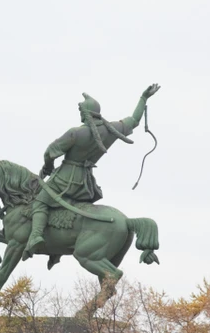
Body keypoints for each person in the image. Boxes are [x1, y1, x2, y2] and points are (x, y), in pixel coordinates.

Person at [24, 83, 159, 259]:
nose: (80, 114)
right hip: (85, 184)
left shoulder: (75, 133)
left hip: (65, 179)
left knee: (40, 201)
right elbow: (134, 120)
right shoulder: (111, 129)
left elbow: (50, 153)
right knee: (70, 209)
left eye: (81, 111)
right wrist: (143, 98)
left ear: (86, 113)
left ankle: (35, 236)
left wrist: (47, 167)